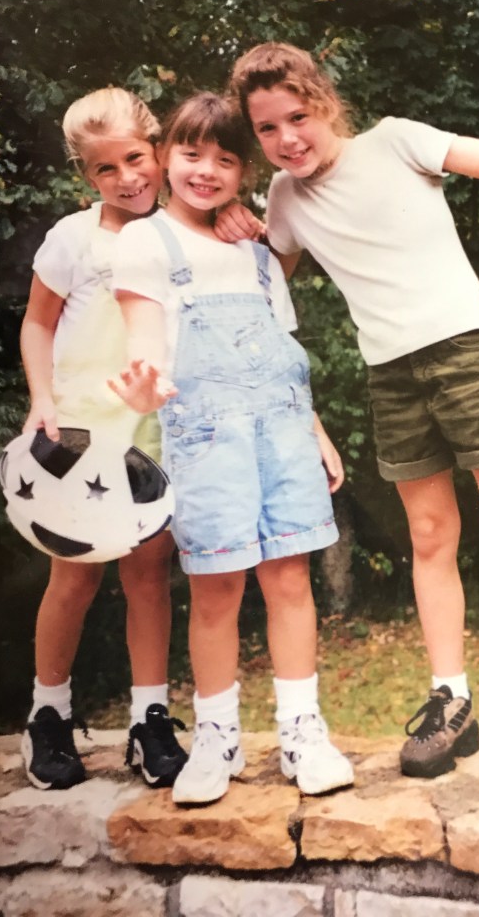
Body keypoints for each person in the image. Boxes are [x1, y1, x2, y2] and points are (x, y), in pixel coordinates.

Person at [220, 41, 479, 780]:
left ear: (323, 102)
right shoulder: (283, 200)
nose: (287, 138)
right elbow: (266, 288)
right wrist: (223, 217)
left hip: (465, 350)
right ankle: (452, 702)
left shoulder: (394, 141)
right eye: (267, 129)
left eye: (296, 117)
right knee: (427, 534)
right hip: (390, 374)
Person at [107, 91, 354, 805]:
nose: (206, 171)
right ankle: (217, 738)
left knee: (290, 580)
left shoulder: (257, 252)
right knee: (216, 589)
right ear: (165, 157)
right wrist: (145, 388)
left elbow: (284, 355)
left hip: (283, 432)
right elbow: (145, 343)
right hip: (207, 442)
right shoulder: (146, 242)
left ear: (244, 172)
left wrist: (316, 432)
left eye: (224, 159)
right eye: (191, 154)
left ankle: (302, 732)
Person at [19, 88, 187, 791]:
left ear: (159, 151)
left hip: (152, 436)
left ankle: (150, 721)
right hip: (78, 438)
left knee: (149, 576)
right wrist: (42, 400)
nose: (126, 177)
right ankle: (48, 713)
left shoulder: (181, 232)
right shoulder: (74, 238)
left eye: (135, 159)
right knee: (74, 576)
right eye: (105, 168)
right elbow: (38, 323)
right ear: (86, 174)